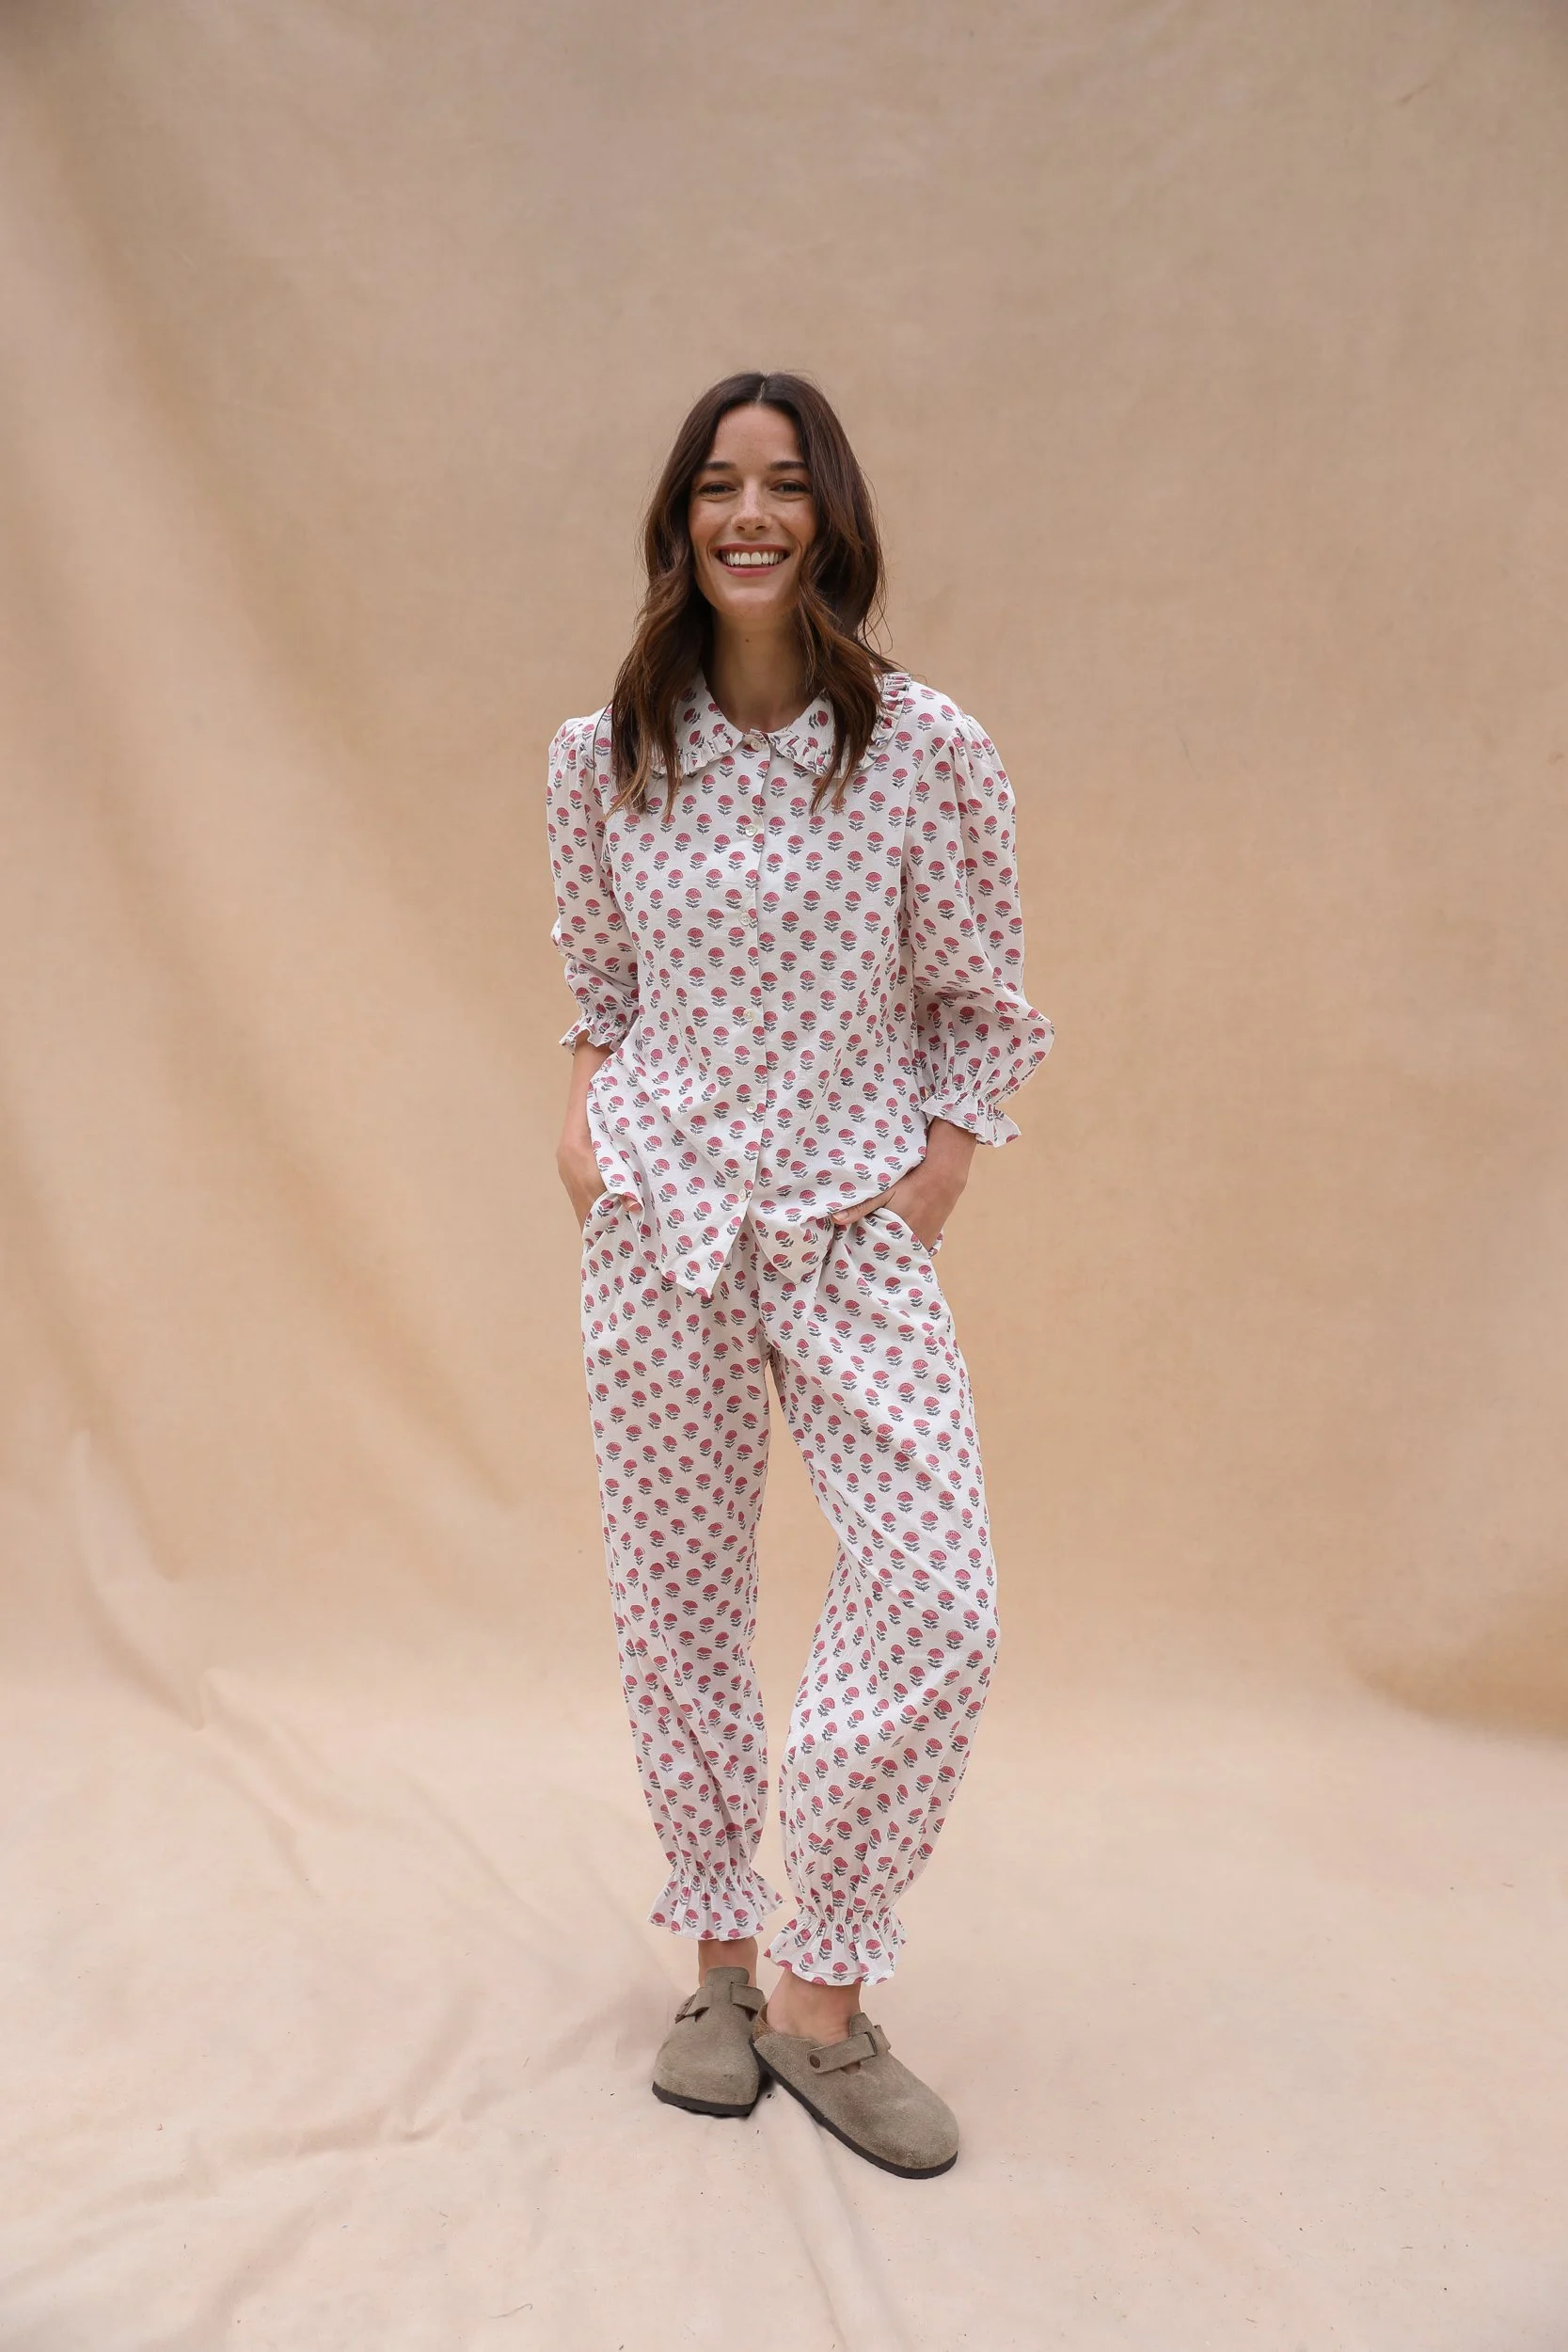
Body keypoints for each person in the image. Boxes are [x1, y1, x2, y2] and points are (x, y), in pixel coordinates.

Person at [546, 371, 1053, 2179]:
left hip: (848, 1229)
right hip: (659, 1225)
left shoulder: (926, 749)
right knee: (677, 1604)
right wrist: (583, 1135)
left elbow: (978, 1003)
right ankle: (719, 1968)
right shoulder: (603, 754)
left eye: (780, 484)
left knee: (936, 1595)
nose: (747, 515)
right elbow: (599, 986)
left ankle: (823, 1995)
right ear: (678, 520)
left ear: (830, 515)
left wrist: (929, 1186)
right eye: (715, 485)